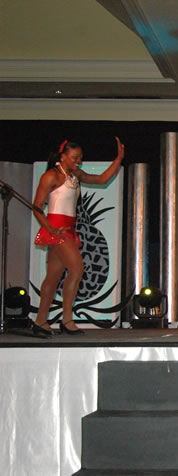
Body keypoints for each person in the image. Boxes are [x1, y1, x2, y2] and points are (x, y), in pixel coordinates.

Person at [32, 138, 124, 337]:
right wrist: (49, 228)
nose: (78, 161)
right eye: (75, 157)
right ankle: (67, 320)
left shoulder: (75, 175)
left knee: (53, 276)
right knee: (77, 268)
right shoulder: (51, 176)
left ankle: (40, 321)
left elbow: (101, 180)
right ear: (62, 156)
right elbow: (37, 207)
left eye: (80, 158)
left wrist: (118, 159)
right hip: (57, 229)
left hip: (68, 229)